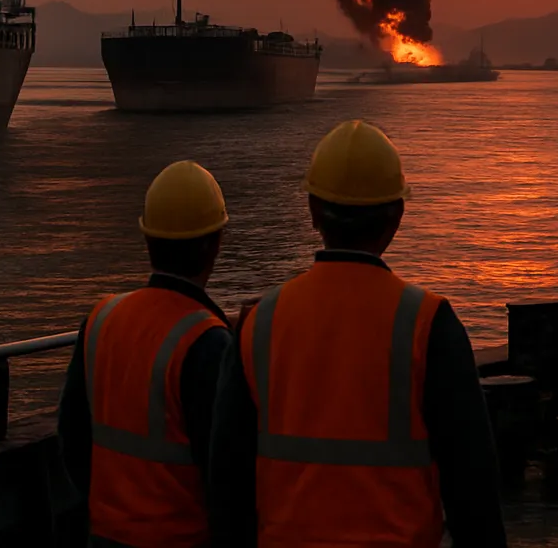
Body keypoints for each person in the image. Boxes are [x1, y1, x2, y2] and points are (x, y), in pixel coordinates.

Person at [208, 119, 506, 548]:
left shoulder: (259, 324)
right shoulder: (428, 323)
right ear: (397, 217)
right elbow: (472, 487)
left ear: (312, 212)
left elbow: (227, 483)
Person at [58, 160, 234, 548]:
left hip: (105, 536)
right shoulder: (208, 341)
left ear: (148, 241)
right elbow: (224, 477)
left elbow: (71, 437)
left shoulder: (100, 320)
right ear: (214, 244)